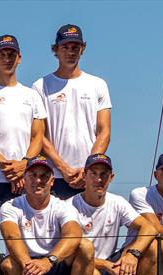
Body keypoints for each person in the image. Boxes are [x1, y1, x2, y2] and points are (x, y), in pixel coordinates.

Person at [0, 155, 100, 275]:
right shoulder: (10, 206)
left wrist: (48, 261)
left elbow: (74, 234)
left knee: (85, 246)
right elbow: (11, 237)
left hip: (55, 266)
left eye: (44, 176)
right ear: (24, 179)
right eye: (33, 175)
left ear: (52, 181)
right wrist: (29, 266)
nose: (38, 180)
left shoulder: (63, 206)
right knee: (7, 264)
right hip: (27, 271)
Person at [71, 154, 162, 275]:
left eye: (104, 174)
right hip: (84, 269)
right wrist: (106, 265)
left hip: (112, 268)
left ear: (111, 177)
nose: (99, 179)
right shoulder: (70, 206)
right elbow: (70, 252)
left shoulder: (117, 202)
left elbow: (150, 228)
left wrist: (132, 254)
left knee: (155, 245)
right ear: (84, 175)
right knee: (87, 266)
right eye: (94, 173)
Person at [0, 34, 47, 233]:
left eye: (11, 54)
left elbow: (38, 136)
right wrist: (8, 167)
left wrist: (24, 165)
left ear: (19, 58)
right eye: (2, 54)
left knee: (27, 238)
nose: (7, 59)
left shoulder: (31, 95)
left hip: (26, 179)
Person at [33, 24, 111, 200]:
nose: (71, 52)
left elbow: (104, 131)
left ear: (82, 49)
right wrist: (63, 168)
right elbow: (39, 135)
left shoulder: (98, 84)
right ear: (56, 49)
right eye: (65, 47)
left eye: (75, 47)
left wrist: (88, 168)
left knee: (91, 228)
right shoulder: (40, 86)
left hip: (90, 176)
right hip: (55, 176)